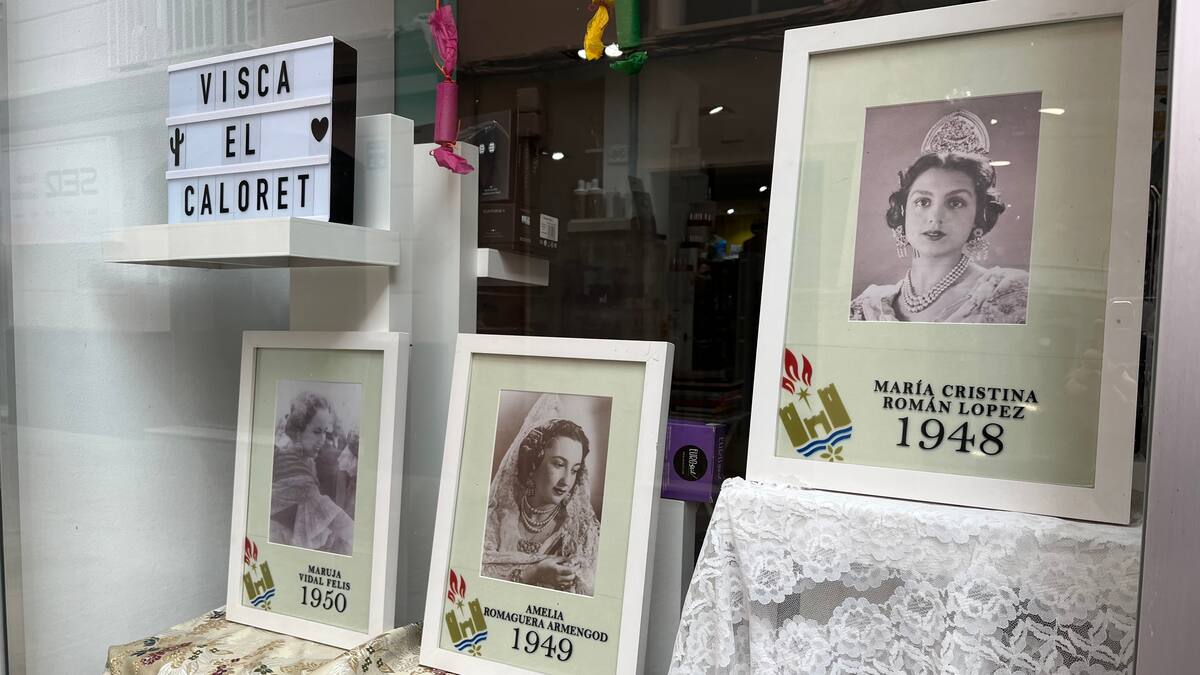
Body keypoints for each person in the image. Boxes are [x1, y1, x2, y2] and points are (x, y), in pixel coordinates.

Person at [850, 151, 1028, 323]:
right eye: (922, 202)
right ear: (903, 212)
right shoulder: (867, 306)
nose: (935, 217)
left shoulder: (1008, 293)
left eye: (955, 203)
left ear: (977, 216)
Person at [482, 396, 600, 595]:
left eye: (574, 470)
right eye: (559, 464)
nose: (566, 481)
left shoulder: (581, 534)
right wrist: (532, 573)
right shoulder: (495, 519)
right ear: (533, 465)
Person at [270, 392, 354, 555]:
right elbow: (336, 520)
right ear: (299, 431)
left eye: (325, 432)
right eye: (316, 432)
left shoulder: (290, 456)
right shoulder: (300, 478)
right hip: (278, 544)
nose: (323, 439)